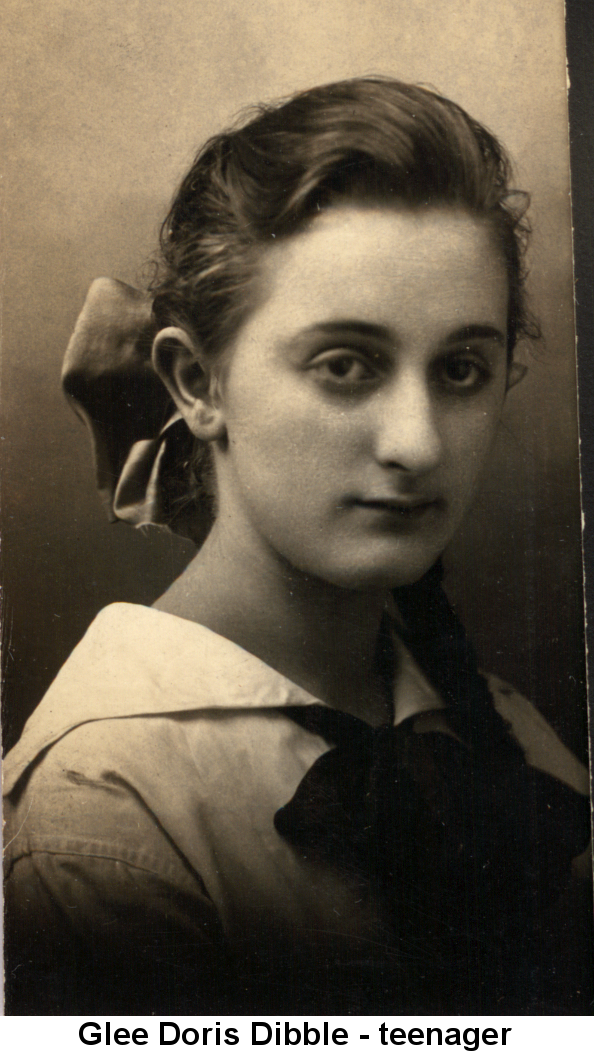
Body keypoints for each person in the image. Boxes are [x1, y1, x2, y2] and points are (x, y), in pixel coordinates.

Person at [3, 78, 591, 1016]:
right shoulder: (105, 809)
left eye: (461, 369)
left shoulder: (514, 741)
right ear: (197, 382)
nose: (419, 442)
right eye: (345, 365)